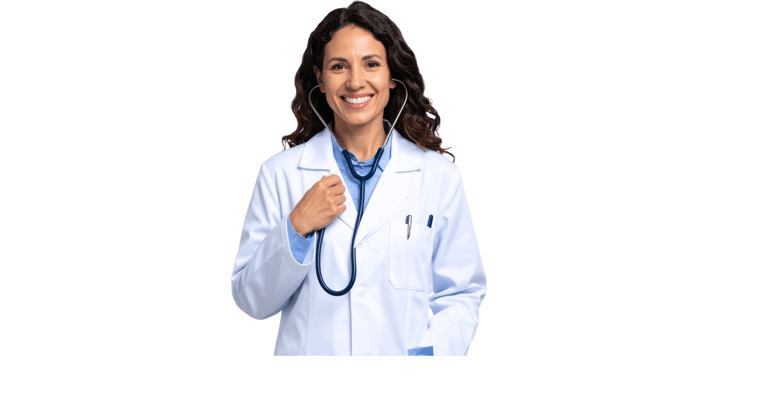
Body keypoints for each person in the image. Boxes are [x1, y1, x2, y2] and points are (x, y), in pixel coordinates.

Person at [231, 1, 486, 355]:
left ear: (392, 75)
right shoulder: (280, 174)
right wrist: (296, 226)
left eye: (371, 64)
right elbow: (251, 299)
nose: (355, 81)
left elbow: (462, 293)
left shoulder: (438, 177)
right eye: (339, 66)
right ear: (320, 78)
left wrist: (429, 360)